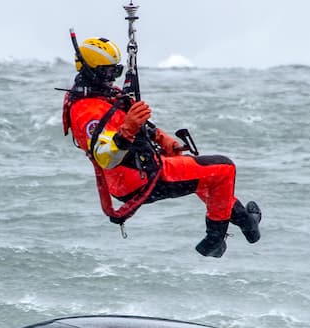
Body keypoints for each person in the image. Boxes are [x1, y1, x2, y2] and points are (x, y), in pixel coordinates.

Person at [61, 37, 260, 258]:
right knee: (224, 169)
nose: (113, 78)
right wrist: (127, 130)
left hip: (141, 169)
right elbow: (104, 156)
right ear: (92, 71)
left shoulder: (104, 96)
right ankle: (214, 241)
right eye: (108, 72)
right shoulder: (86, 110)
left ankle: (247, 223)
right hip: (139, 179)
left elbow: (134, 119)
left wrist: (162, 138)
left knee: (206, 179)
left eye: (116, 71)